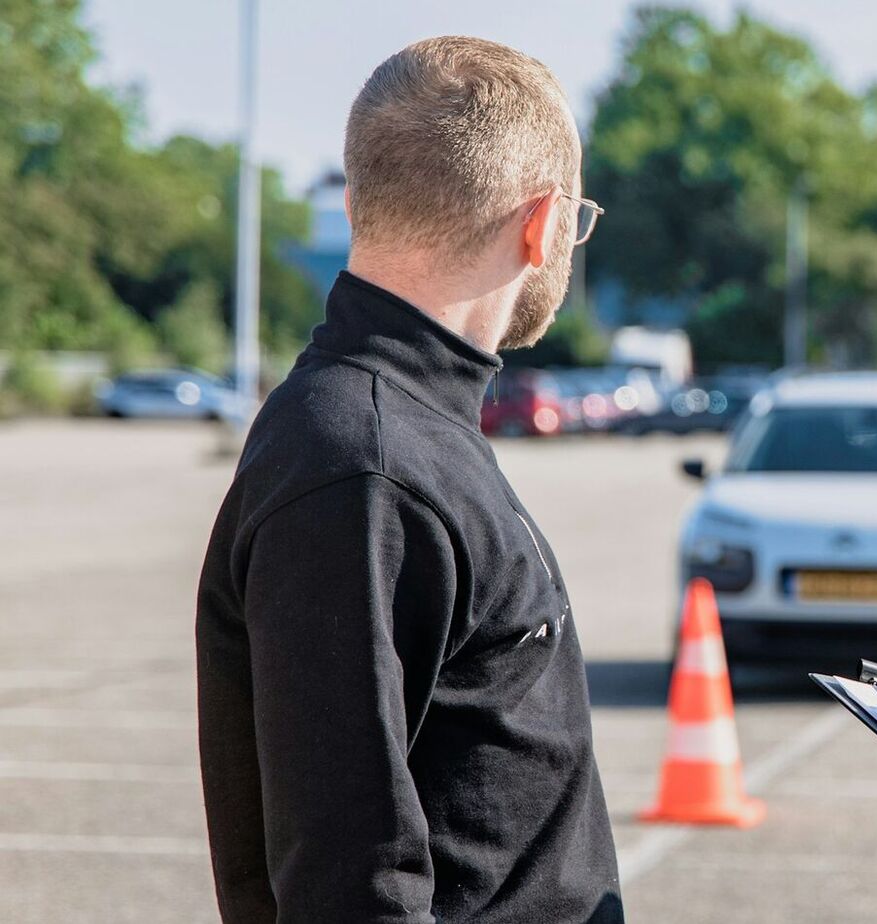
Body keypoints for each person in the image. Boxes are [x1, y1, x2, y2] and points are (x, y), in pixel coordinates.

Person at [195, 37, 622, 922]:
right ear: (541, 226)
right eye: (576, 222)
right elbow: (350, 885)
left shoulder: (403, 434)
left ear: (357, 203)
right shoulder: (365, 466)